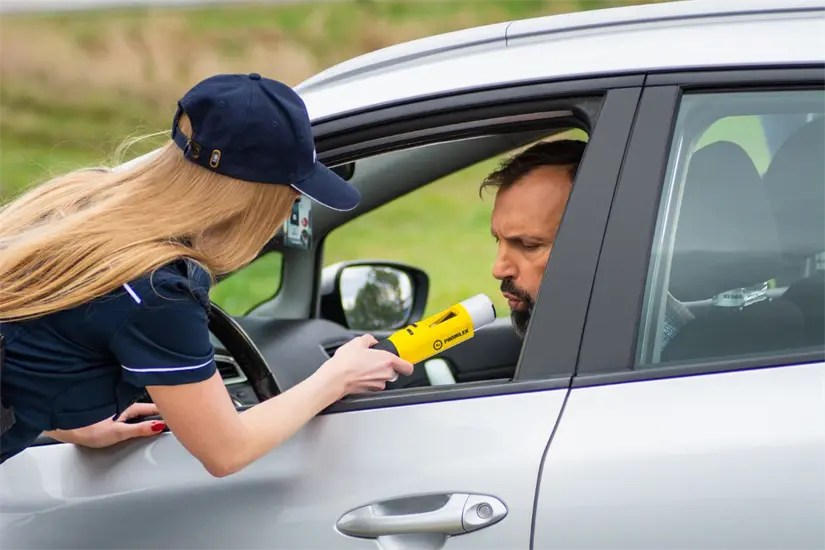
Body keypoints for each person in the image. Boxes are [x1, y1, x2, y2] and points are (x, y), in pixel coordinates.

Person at [0, 73, 414, 472]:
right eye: (291, 196)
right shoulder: (156, 290)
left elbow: (28, 349)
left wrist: (63, 417)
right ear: (252, 196)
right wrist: (337, 378)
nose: (290, 208)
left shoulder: (77, 201)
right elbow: (227, 450)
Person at [481, 139, 694, 343]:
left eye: (529, 245)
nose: (498, 269)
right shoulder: (586, 344)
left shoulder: (660, 361)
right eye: (498, 240)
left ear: (607, 245)